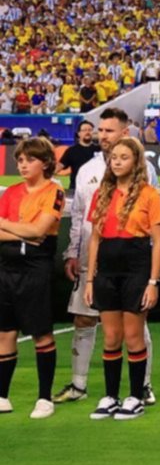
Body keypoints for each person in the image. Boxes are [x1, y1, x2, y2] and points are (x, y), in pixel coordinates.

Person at [58, 108, 159, 406]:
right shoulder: (88, 170)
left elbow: (150, 218)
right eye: (100, 130)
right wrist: (72, 253)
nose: (102, 136)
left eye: (109, 131)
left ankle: (143, 385)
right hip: (94, 255)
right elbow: (79, 216)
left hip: (131, 260)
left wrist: (151, 273)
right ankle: (79, 384)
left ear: (124, 133)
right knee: (83, 318)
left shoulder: (144, 170)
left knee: (135, 325)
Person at [85, 137, 160, 420]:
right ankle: (110, 395)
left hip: (136, 266)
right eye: (114, 157)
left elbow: (159, 241)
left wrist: (153, 282)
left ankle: (135, 396)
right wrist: (90, 280)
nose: (117, 161)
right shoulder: (102, 194)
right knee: (110, 337)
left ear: (136, 162)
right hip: (107, 268)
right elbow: (94, 239)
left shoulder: (149, 195)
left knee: (133, 336)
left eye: (124, 157)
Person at [0, 138, 67, 418]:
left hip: (36, 267)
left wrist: (7, 226)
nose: (23, 164)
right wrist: (22, 231)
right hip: (5, 266)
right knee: (4, 332)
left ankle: (44, 398)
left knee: (40, 332)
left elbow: (41, 230)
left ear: (46, 163)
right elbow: (30, 232)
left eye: (29, 159)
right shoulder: (10, 193)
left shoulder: (55, 192)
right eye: (20, 159)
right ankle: (2, 395)